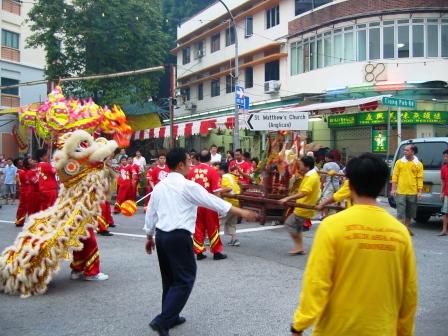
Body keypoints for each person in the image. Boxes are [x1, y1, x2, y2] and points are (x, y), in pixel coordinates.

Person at [290, 153, 417, 336]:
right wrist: (404, 332)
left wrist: (300, 324)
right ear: (382, 185)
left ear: (349, 184)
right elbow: (409, 292)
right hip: (382, 330)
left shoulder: (331, 227)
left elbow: (317, 283)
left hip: (336, 330)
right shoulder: (400, 233)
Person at [144, 147, 257, 336]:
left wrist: (149, 236)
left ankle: (170, 317)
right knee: (185, 279)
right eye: (188, 162)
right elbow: (213, 201)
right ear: (180, 164)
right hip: (178, 237)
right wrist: (242, 212)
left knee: (170, 280)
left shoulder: (160, 186)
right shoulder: (187, 186)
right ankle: (162, 320)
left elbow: (151, 213)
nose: (190, 165)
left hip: (162, 236)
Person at [188, 149, 226, 260]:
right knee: (213, 226)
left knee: (198, 227)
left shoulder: (191, 171)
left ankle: (199, 252)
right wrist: (219, 207)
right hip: (209, 204)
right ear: (210, 158)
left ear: (198, 159)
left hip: (195, 204)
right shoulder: (213, 171)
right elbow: (216, 191)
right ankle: (216, 252)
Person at [280, 156, 320, 255]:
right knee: (297, 228)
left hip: (304, 206)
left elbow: (304, 192)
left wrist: (288, 198)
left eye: (301, 165)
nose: (299, 166)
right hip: (303, 205)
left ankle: (298, 246)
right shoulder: (311, 174)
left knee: (289, 224)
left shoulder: (311, 177)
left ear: (307, 167)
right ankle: (300, 247)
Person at [391, 144, 424, 235]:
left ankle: (406, 228)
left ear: (412, 152)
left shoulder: (418, 164)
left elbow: (419, 178)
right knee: (400, 212)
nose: (405, 152)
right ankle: (402, 230)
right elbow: (395, 176)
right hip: (401, 191)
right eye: (404, 150)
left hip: (412, 192)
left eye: (407, 150)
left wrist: (420, 192)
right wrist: (393, 189)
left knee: (410, 213)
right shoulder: (399, 162)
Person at [219, 163, 241, 246]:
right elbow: (239, 184)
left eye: (218, 170)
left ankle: (211, 239)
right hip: (237, 202)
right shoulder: (231, 176)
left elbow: (229, 188)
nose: (217, 172)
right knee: (231, 222)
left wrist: (218, 191)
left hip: (229, 203)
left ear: (222, 170)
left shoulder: (224, 177)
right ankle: (234, 240)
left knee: (218, 221)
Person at [320, 152, 341, 218]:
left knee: (325, 200)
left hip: (329, 185)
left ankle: (325, 216)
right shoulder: (337, 165)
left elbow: (323, 176)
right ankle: (337, 215)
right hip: (337, 185)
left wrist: (322, 186)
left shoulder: (326, 165)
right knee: (336, 200)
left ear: (327, 157)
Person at [15, 159, 28, 226]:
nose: (21, 163)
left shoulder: (23, 170)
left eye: (22, 162)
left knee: (22, 206)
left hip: (25, 189)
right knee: (23, 206)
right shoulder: (21, 171)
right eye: (20, 162)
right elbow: (20, 180)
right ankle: (19, 220)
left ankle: (19, 220)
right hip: (24, 190)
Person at [439, 149, 448, 236]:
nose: (445, 158)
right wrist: (441, 193)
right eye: (444, 156)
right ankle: (444, 230)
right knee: (445, 212)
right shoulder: (443, 168)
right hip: (447, 194)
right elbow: (443, 182)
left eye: (447, 156)